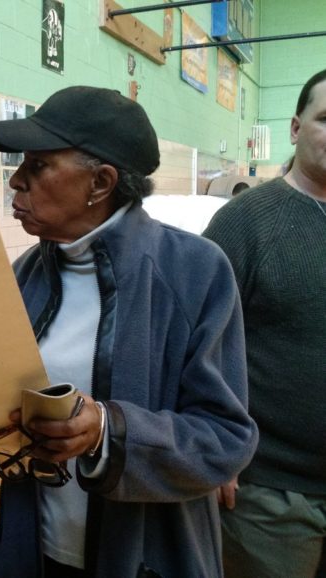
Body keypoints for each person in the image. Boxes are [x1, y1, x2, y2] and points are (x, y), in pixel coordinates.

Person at [0, 86, 258, 578]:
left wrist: (108, 430)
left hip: (145, 557)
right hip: (34, 551)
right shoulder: (26, 274)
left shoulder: (194, 273)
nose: (16, 181)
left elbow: (225, 439)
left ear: (101, 183)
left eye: (38, 166)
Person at [204, 69, 326, 578]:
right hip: (269, 494)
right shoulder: (248, 221)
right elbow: (192, 338)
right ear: (296, 128)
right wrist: (210, 454)